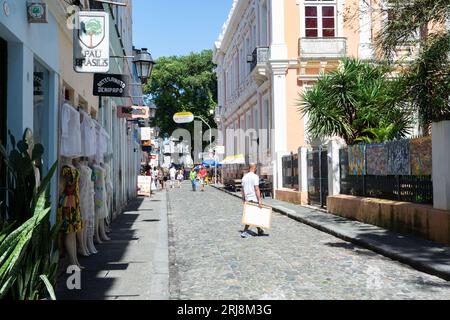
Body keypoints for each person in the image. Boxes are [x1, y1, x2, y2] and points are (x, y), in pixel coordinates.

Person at [240, 163, 266, 238]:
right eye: (256, 167)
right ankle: (244, 232)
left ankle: (259, 230)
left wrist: (243, 199)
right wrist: (260, 200)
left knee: (254, 215)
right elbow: (256, 188)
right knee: (251, 216)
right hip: (253, 198)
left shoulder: (244, 177)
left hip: (247, 199)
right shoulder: (255, 177)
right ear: (254, 168)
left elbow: (242, 190)